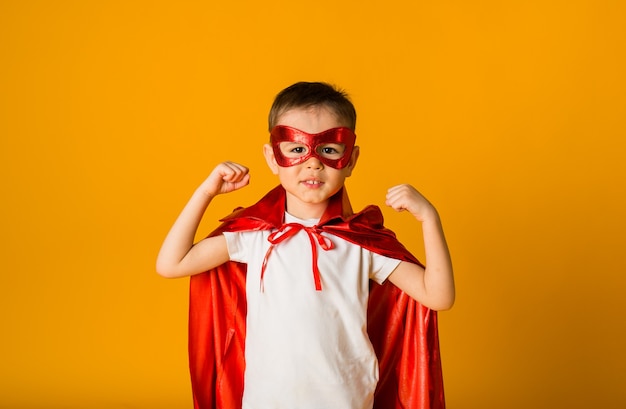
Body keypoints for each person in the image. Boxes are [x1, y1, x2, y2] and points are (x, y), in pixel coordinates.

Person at [156, 81, 455, 409]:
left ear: (351, 159)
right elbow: (172, 264)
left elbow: (438, 297)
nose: (313, 162)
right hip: (266, 400)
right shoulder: (254, 237)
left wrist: (429, 219)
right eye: (296, 148)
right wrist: (206, 192)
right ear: (272, 157)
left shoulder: (361, 244)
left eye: (329, 149)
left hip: (346, 400)